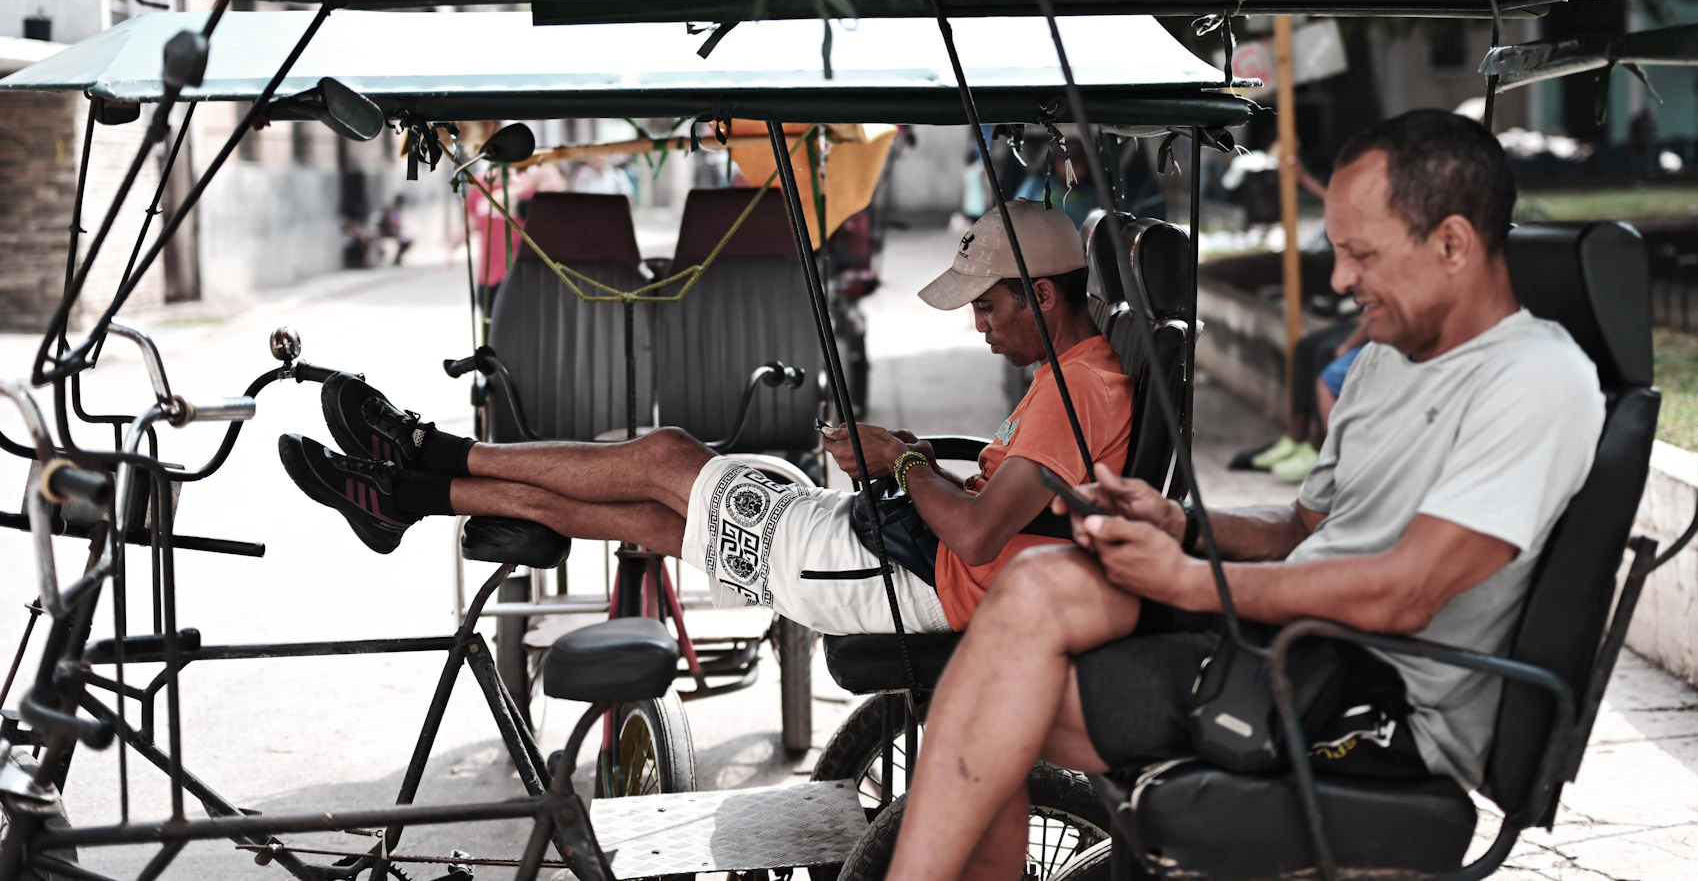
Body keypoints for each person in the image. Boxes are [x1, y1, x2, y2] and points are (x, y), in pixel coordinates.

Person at [881, 110, 1604, 881]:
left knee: (989, 709)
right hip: (1287, 642)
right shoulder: (1382, 363)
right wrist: (1182, 525)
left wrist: (1190, 578)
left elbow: (1407, 591)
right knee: (1025, 592)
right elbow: (1304, 523)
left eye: (1361, 254)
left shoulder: (1534, 378)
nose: (1340, 279)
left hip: (1371, 694)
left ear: (1454, 243)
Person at [275, 200, 1134, 638]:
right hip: (897, 545)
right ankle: (411, 494)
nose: (979, 325)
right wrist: (908, 458)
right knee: (651, 512)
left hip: (910, 577)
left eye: (987, 308)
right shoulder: (1072, 375)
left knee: (662, 455)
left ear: (1045, 294)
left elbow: (982, 533)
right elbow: (1010, 499)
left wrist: (900, 463)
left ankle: (425, 449)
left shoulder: (1076, 391)